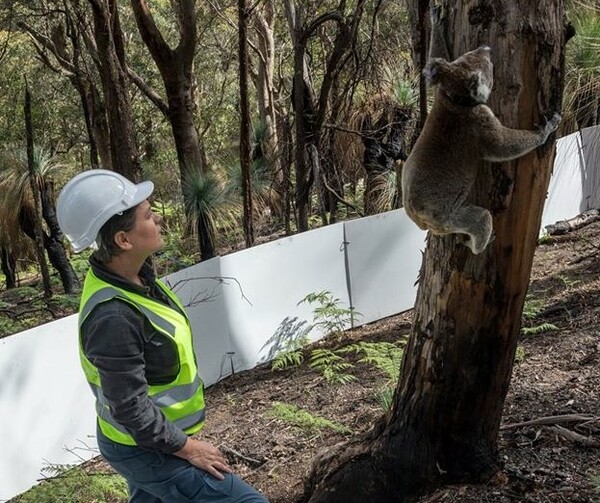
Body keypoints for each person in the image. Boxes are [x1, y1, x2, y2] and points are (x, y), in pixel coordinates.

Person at [57, 169, 269, 503]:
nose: (157, 218)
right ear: (123, 240)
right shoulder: (113, 315)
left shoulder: (136, 279)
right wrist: (188, 448)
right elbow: (129, 406)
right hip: (145, 447)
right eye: (147, 215)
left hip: (144, 440)